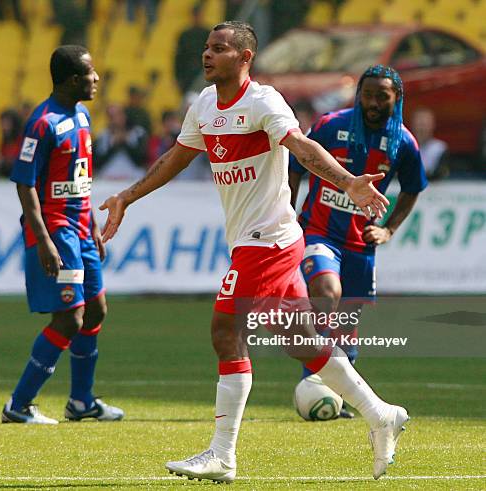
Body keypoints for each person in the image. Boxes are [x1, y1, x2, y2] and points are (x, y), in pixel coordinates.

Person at [99, 21, 407, 483]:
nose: (208, 55)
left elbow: (302, 148)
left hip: (268, 240)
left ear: (244, 58)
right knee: (300, 341)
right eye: (207, 47)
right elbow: (176, 159)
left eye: (219, 49)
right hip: (255, 239)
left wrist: (347, 183)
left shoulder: (262, 101)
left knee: (226, 328)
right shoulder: (203, 105)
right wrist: (126, 196)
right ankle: (380, 413)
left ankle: (222, 454)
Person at [289, 65, 428, 419]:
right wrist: (289, 215)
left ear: (396, 98)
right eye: (368, 93)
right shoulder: (330, 125)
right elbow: (295, 167)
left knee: (347, 324)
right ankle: (314, 379)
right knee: (326, 291)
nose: (373, 101)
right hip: (319, 231)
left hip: (360, 244)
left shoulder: (403, 142)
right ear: (358, 94)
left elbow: (413, 189)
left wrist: (389, 229)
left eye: (382, 95)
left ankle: (338, 396)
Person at [1, 45, 124, 425]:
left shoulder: (83, 116)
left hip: (82, 232)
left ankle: (81, 402)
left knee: (96, 310)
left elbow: (79, 181)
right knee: (70, 318)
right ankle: (18, 406)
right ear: (73, 80)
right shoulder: (42, 122)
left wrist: (92, 228)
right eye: (91, 73)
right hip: (58, 233)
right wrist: (45, 240)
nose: (97, 78)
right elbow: (25, 185)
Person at [92, 103, 148, 180]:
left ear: (124, 115)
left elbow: (141, 160)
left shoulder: (138, 133)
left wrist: (125, 142)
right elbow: (97, 163)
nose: (115, 119)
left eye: (117, 115)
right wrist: (113, 146)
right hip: (107, 181)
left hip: (134, 179)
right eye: (111, 116)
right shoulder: (102, 136)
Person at [174, 4, 210, 95]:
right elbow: (178, 57)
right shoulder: (184, 35)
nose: (197, 17)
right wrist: (178, 77)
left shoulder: (208, 34)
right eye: (195, 15)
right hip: (187, 73)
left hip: (203, 72)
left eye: (199, 15)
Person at [410, 107, 449, 181]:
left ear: (432, 125)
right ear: (412, 125)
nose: (421, 129)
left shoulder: (440, 148)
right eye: (419, 124)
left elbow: (441, 173)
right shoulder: (404, 146)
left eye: (424, 124)